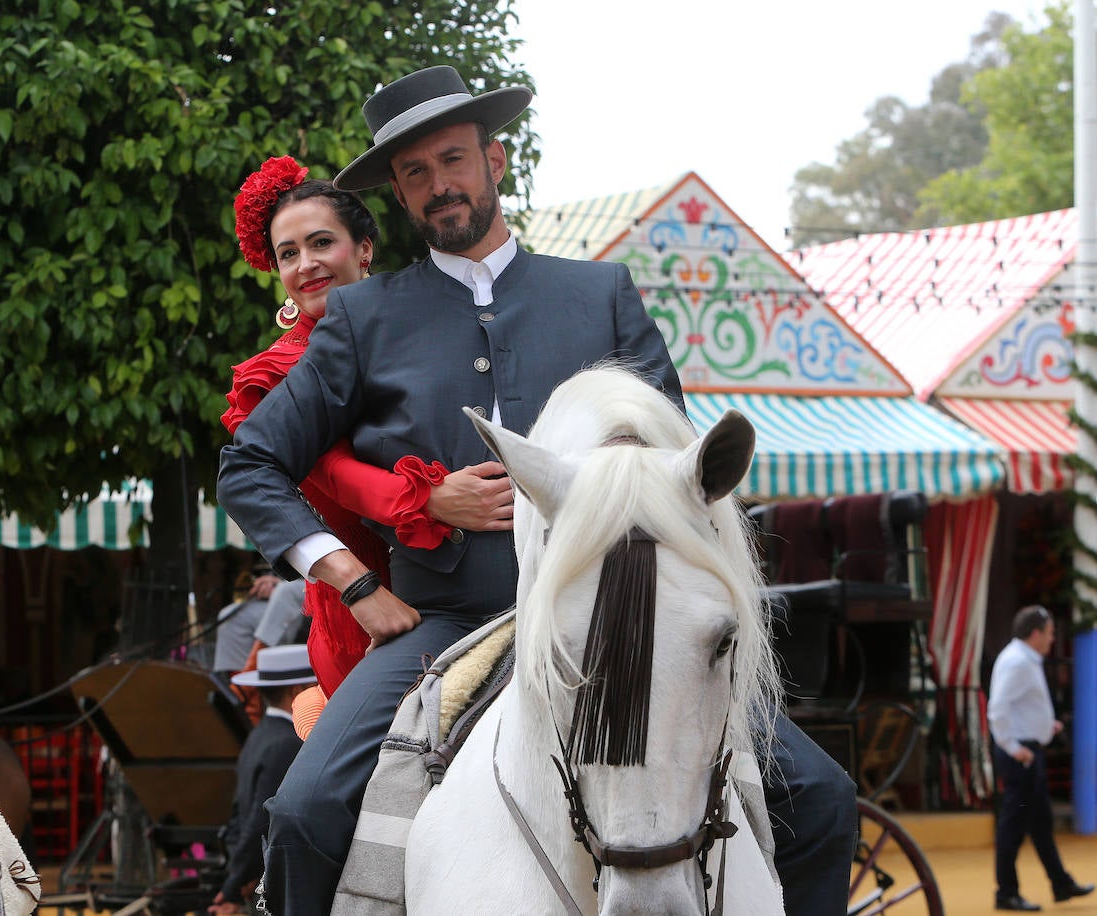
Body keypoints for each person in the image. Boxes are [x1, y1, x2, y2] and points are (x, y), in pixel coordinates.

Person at [217, 65, 855, 916]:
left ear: (496, 159)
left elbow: (676, 474)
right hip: (445, 626)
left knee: (821, 800)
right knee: (300, 813)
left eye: (453, 159)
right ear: (402, 196)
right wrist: (354, 582)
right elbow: (250, 464)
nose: (439, 184)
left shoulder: (602, 295)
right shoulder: (364, 319)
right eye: (415, 173)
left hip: (621, 616)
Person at [221, 157, 505, 701]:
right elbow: (333, 473)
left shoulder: (422, 330)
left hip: (479, 580)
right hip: (367, 606)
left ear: (365, 249)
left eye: (322, 243)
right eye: (288, 254)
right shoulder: (276, 374)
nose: (306, 264)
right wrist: (431, 498)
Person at [987, 605, 1093, 911]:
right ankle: (1006, 892)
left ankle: (1061, 883)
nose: (1052, 638)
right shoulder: (1018, 662)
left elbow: (1021, 707)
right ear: (1035, 633)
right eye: (1049, 632)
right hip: (1021, 755)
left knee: (1040, 823)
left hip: (1028, 751)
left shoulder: (1024, 659)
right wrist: (1012, 745)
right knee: (1013, 826)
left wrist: (1046, 726)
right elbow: (998, 709)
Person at [209, 644, 320, 915]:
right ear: (297, 693)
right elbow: (261, 820)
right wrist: (234, 887)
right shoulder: (288, 742)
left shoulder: (260, 735)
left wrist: (235, 877)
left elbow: (241, 814)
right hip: (266, 878)